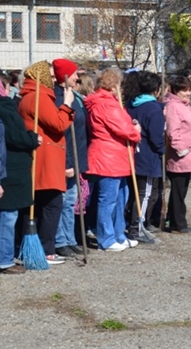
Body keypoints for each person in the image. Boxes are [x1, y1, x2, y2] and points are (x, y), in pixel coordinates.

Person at [18, 60, 74, 264]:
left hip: (43, 156)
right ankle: (46, 249)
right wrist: (67, 104)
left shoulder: (31, 96)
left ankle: (36, 248)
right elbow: (58, 123)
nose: (53, 80)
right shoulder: (38, 97)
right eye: (50, 76)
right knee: (52, 203)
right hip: (45, 158)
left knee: (40, 204)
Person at [84, 68, 141, 252]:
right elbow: (122, 128)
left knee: (120, 198)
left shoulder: (109, 102)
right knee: (108, 200)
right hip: (107, 157)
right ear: (113, 85)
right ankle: (106, 239)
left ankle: (118, 234)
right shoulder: (105, 104)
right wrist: (135, 132)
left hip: (116, 157)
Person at [50, 58, 89, 257]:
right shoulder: (58, 99)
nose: (77, 78)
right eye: (74, 74)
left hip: (77, 156)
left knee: (71, 200)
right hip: (66, 159)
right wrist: (67, 163)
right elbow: (61, 132)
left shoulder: (73, 96)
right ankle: (60, 240)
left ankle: (70, 238)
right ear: (64, 76)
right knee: (63, 201)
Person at [124, 71, 165, 243]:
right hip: (147, 155)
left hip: (133, 154)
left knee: (135, 193)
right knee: (145, 194)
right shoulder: (153, 108)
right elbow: (156, 137)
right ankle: (137, 228)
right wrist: (163, 150)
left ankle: (133, 225)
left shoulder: (131, 104)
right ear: (156, 89)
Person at [164, 76, 191, 234]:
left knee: (182, 189)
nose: (188, 93)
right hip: (181, 155)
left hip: (190, 153)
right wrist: (182, 149)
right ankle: (177, 223)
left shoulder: (185, 105)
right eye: (184, 90)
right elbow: (173, 131)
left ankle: (175, 219)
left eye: (189, 89)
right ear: (175, 91)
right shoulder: (173, 106)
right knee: (178, 190)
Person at [0, 72, 23, 274]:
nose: (10, 90)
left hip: (3, 171)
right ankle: (1, 259)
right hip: (1, 172)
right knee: (5, 217)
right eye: (5, 86)